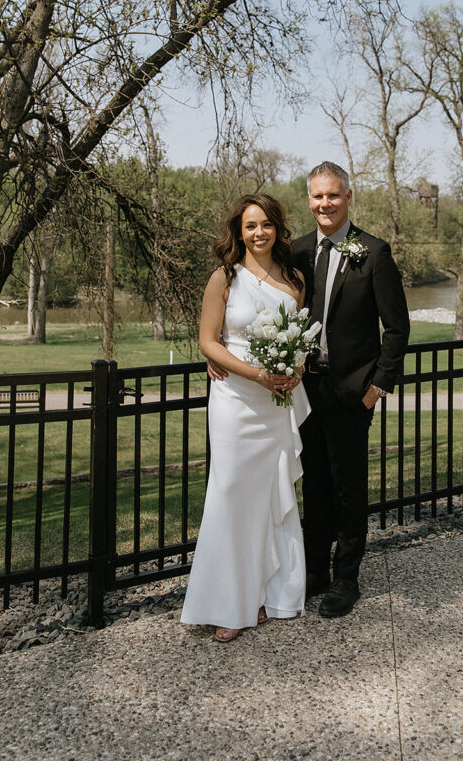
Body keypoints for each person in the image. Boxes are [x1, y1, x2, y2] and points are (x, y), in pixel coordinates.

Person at [181, 193, 309, 642]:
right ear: (238, 232)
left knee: (270, 498)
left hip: (275, 406)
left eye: (266, 224)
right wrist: (257, 374)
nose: (259, 233)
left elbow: (301, 339)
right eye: (250, 226)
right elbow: (208, 342)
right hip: (236, 400)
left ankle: (266, 592)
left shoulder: (294, 279)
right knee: (231, 493)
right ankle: (227, 602)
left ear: (278, 228)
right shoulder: (224, 277)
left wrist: (294, 371)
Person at [291, 161, 409, 618]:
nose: (325, 204)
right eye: (318, 196)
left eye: (333, 195)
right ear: (310, 200)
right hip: (306, 391)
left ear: (348, 196)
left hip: (352, 393)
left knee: (348, 488)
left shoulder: (373, 253)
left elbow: (397, 329)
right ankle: (315, 572)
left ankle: (346, 578)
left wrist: (376, 388)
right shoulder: (297, 252)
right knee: (314, 484)